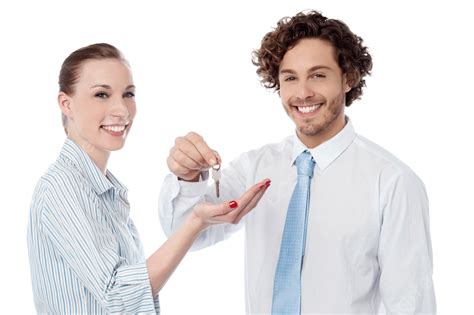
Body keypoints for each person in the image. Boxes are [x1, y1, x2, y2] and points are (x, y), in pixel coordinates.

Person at [158, 10, 436, 314]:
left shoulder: (392, 182)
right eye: (290, 78)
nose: (303, 93)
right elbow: (187, 234)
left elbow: (411, 304)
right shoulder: (254, 168)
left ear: (348, 78)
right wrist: (187, 180)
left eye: (318, 75)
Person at [27, 43, 270, 314]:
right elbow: (120, 297)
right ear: (66, 104)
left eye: (128, 94)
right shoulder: (63, 187)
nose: (122, 110)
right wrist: (195, 223)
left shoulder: (99, 189)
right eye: (101, 94)